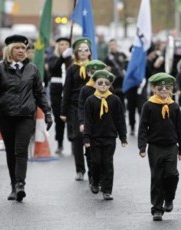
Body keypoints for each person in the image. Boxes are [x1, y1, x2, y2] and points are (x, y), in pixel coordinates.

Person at [0, 34, 53, 202]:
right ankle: (13, 186)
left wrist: (47, 112)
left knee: (21, 150)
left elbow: (39, 93)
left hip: (25, 116)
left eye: (24, 48)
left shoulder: (32, 69)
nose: (21, 51)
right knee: (11, 151)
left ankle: (20, 185)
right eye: (17, 48)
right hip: (6, 115)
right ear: (9, 50)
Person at [138, 72, 181, 221]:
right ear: (153, 89)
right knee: (157, 177)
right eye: (160, 87)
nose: (164, 89)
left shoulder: (175, 106)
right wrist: (142, 146)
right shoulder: (149, 105)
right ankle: (157, 209)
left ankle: (169, 198)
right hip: (155, 147)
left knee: (172, 174)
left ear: (171, 89)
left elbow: (179, 128)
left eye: (167, 87)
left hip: (171, 146)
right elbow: (143, 127)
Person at [83, 69, 127, 200]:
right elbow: (88, 120)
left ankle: (107, 190)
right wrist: (86, 137)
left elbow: (120, 119)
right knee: (96, 162)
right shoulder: (90, 100)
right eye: (100, 82)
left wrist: (123, 137)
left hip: (110, 137)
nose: (103, 85)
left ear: (110, 85)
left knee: (108, 162)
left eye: (106, 83)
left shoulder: (115, 100)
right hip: (94, 137)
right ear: (95, 84)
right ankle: (95, 182)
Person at [60, 37, 91, 181]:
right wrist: (63, 111)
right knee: (78, 137)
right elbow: (67, 90)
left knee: (91, 138)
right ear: (76, 53)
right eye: (80, 50)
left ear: (90, 52)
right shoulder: (72, 68)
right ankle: (80, 169)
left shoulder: (95, 67)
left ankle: (93, 168)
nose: (83, 52)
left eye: (86, 50)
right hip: (74, 106)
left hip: (92, 106)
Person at [78, 59, 107, 189]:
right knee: (90, 153)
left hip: (104, 127)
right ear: (89, 73)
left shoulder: (108, 89)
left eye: (99, 72)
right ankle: (92, 177)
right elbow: (81, 107)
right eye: (93, 72)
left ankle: (101, 179)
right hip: (90, 126)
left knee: (104, 155)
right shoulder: (85, 89)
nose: (96, 74)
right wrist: (82, 122)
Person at [48, 37, 73, 154]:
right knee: (59, 118)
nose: (64, 46)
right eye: (62, 44)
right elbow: (53, 68)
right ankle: (60, 143)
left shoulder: (72, 60)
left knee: (72, 117)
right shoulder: (53, 58)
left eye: (67, 44)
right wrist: (62, 58)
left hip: (70, 91)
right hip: (57, 92)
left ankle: (74, 141)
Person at [103, 39, 128, 110]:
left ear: (117, 45)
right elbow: (105, 69)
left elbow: (124, 66)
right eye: (110, 45)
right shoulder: (107, 58)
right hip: (113, 83)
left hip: (122, 81)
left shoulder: (122, 55)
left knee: (122, 101)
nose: (112, 46)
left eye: (113, 44)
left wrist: (112, 69)